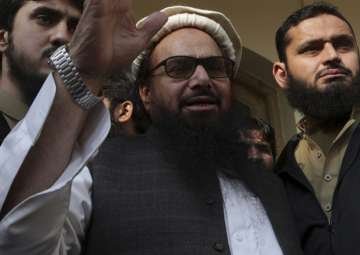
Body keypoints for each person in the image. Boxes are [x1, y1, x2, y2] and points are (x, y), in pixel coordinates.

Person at [0, 3, 302, 255]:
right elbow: (20, 243)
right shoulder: (98, 168)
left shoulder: (271, 185)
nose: (201, 80)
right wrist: (82, 72)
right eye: (179, 67)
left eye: (215, 67)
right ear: (145, 92)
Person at [272, 2, 360, 255]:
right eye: (312, 49)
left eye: (344, 45)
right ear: (281, 74)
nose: (332, 55)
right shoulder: (281, 171)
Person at [0, 0, 83, 143]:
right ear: (3, 39)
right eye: (44, 19)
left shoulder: (81, 135)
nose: (63, 36)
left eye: (74, 27)